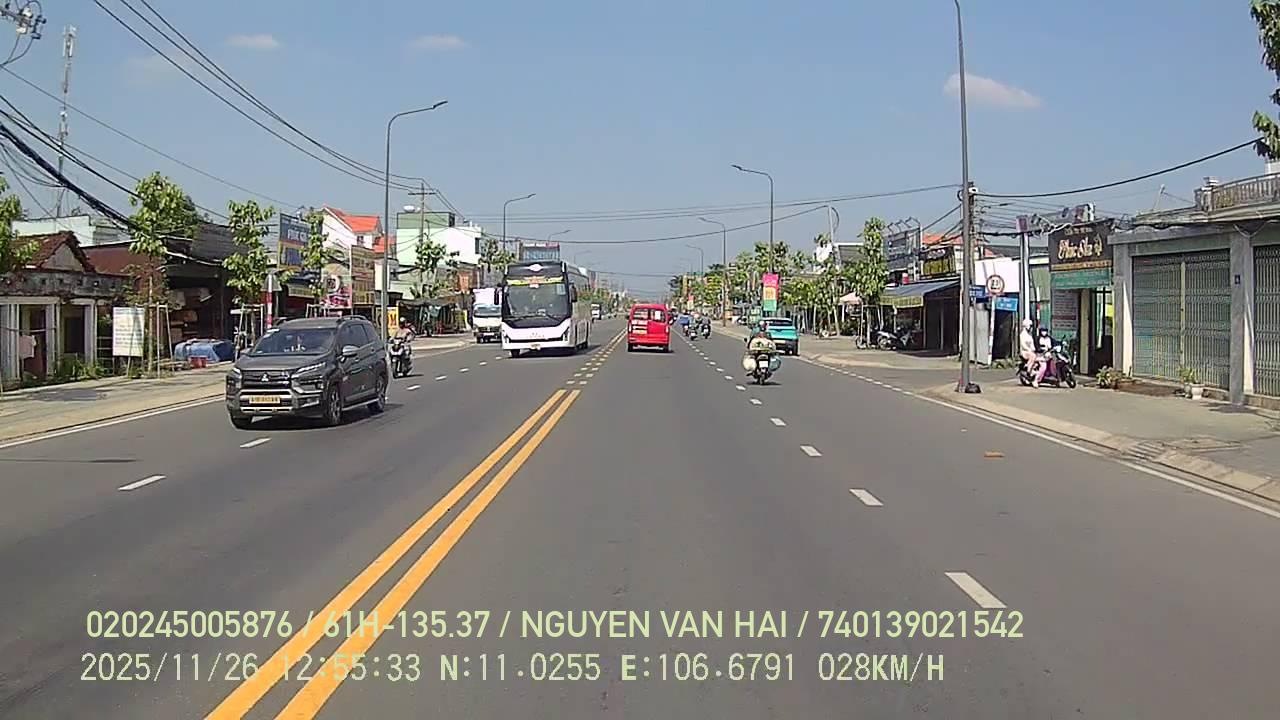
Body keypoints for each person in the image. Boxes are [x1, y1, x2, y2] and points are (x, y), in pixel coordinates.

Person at [1019, 318, 1046, 388]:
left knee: (1040, 358)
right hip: (1024, 352)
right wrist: (1029, 350)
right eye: (1030, 325)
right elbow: (1023, 345)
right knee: (1033, 356)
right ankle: (1029, 371)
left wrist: (1034, 349)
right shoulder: (1022, 335)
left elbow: (1032, 345)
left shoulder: (1030, 335)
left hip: (1031, 351)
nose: (1031, 327)